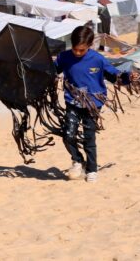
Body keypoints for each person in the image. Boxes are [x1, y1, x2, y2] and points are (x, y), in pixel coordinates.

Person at [54, 25, 133, 183]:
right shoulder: (64, 57)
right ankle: (77, 161)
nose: (77, 53)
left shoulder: (98, 59)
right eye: (75, 49)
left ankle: (91, 170)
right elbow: (51, 71)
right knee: (68, 135)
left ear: (89, 46)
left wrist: (130, 77)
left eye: (81, 50)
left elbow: (115, 77)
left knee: (89, 138)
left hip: (93, 104)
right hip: (72, 102)